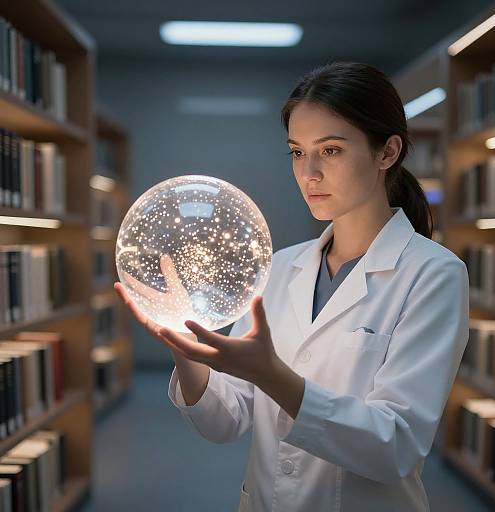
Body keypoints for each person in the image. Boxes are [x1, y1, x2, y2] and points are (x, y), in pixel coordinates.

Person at [114, 61, 469, 512]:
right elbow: (227, 421)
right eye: (297, 152)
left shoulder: (434, 274)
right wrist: (184, 346)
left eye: (332, 150)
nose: (309, 173)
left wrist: (271, 374)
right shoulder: (281, 267)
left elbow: (394, 446)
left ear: (387, 152)